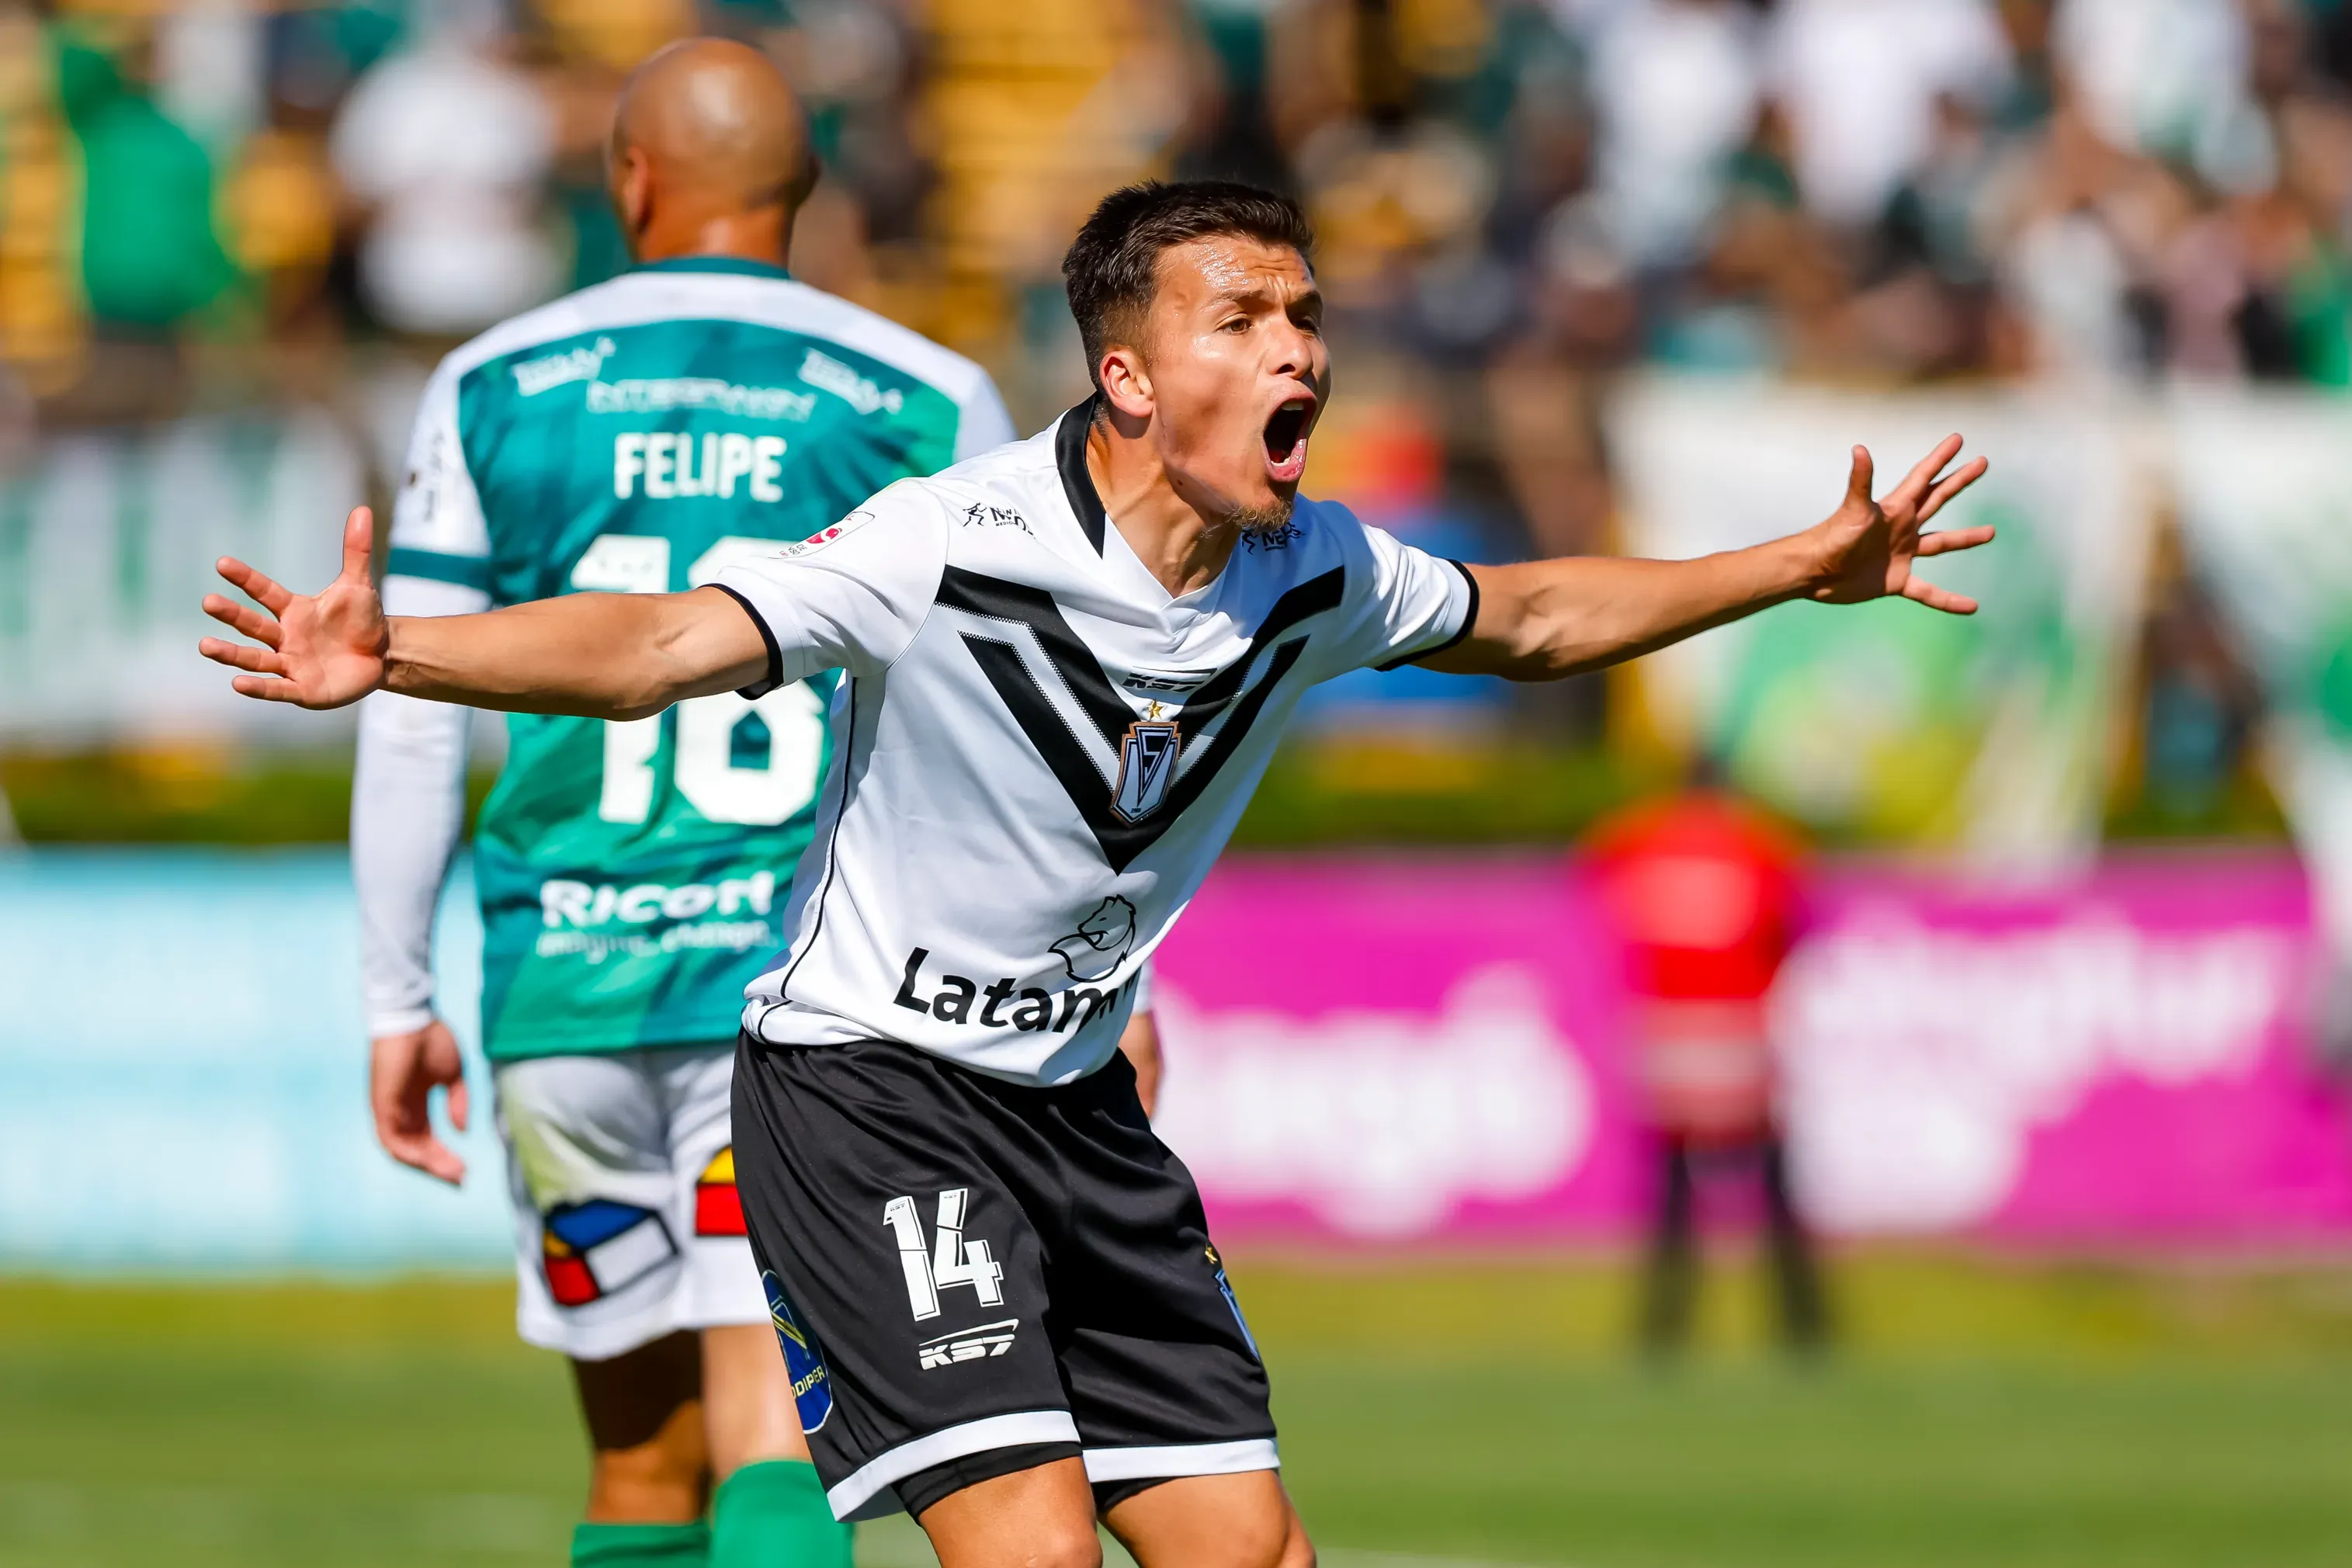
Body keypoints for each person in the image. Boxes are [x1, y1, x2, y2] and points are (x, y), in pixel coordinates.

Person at [199, 179, 1992, 1568]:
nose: (1296, 353)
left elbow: (1526, 614)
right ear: (1126, 375)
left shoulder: (1311, 569)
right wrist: (400, 651)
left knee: (1249, 1547)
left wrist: (1796, 564)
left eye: (1305, 316)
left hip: (1076, 1108)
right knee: (1034, 1549)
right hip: (872, 1096)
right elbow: (666, 639)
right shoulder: (946, 540)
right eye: (1243, 319)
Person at [349, 39, 1012, 1568]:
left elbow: (408, 703)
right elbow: (1001, 722)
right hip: (800, 994)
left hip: (561, 986)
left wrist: (396, 995)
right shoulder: (926, 396)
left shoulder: (494, 383)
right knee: (780, 1445)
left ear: (631, 180)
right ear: (806, 185)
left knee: (639, 1462)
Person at [1584, 772, 1829, 1357]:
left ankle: (1664, 1327)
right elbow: (1793, 916)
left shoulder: (1639, 839)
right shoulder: (1758, 842)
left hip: (1669, 1030)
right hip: (1737, 1028)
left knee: (1674, 1191)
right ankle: (1802, 1325)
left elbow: (1592, 875)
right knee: (1772, 1186)